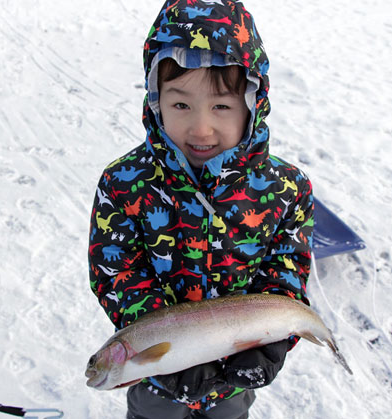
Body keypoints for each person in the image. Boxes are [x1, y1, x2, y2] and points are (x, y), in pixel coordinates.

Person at [88, 1, 313, 417]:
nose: (201, 127)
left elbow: (286, 266)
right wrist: (161, 347)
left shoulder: (287, 188)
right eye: (181, 105)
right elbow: (115, 270)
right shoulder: (123, 183)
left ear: (253, 102)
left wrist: (273, 339)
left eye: (222, 106)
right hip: (157, 377)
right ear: (156, 101)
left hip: (234, 375)